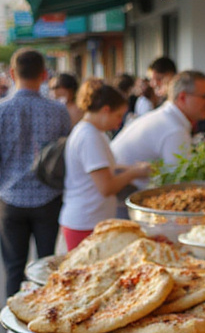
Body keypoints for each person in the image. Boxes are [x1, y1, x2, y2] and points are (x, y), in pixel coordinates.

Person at [0, 48, 73, 298]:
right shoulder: (58, 111)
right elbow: (66, 155)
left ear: (11, 73)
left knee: (13, 268)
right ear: (44, 75)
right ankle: (48, 320)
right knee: (48, 268)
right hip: (49, 198)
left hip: (9, 200)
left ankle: (15, 328)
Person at [59, 80, 149, 249]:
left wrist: (132, 168)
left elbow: (105, 169)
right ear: (105, 110)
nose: (119, 121)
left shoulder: (93, 132)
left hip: (88, 220)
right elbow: (106, 187)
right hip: (85, 223)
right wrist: (134, 173)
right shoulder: (89, 136)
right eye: (118, 115)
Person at [110, 70, 205, 190]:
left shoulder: (168, 118)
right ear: (182, 98)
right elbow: (180, 184)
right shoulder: (174, 129)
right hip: (121, 197)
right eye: (204, 97)